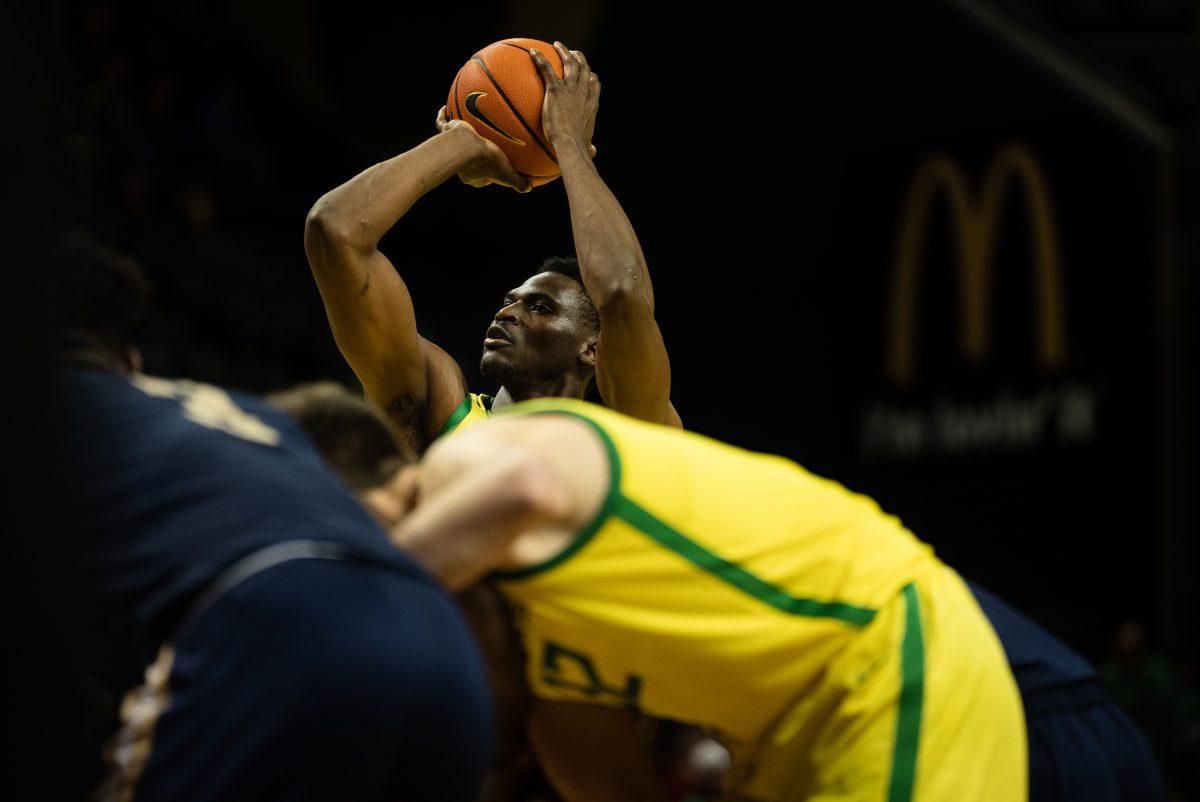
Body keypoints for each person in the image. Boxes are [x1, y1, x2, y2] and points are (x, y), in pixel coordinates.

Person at [384, 396, 1028, 801]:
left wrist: (359, 592)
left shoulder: (471, 458)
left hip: (886, 652)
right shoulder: (552, 691)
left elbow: (527, 486)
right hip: (778, 747)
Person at [55, 235, 493, 802]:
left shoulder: (50, 407)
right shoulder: (245, 414)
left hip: (278, 622)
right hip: (442, 641)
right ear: (130, 362)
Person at [303, 42, 678, 455]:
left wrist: (566, 141)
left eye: (540, 307)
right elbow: (334, 230)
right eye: (509, 301)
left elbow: (623, 292)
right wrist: (463, 143)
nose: (507, 312)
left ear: (592, 348)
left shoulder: (629, 429)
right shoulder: (438, 402)